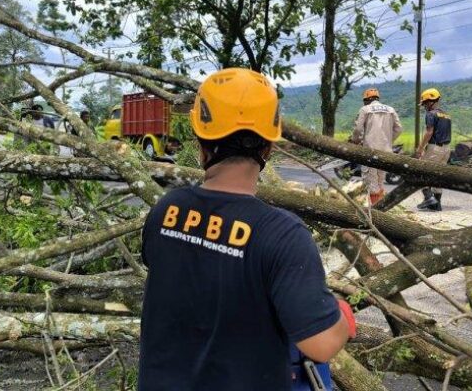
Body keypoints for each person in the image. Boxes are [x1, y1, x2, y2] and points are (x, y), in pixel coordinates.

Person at [138, 68, 355, 391]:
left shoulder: (165, 211)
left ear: (200, 143)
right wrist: (342, 319)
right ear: (268, 148)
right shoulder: (282, 235)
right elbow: (320, 345)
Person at [352, 88, 402, 206]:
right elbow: (399, 129)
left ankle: (375, 213)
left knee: (371, 182)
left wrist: (356, 140)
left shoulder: (365, 109)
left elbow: (358, 129)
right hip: (386, 152)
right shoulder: (390, 109)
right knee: (380, 182)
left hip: (370, 151)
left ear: (367, 100)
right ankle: (380, 207)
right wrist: (388, 141)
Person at [414, 88, 451, 211]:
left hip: (435, 147)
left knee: (420, 172)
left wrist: (420, 148)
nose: (424, 106)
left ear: (430, 101)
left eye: (425, 103)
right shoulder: (446, 115)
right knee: (437, 176)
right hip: (446, 149)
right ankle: (437, 204)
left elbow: (429, 132)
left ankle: (429, 198)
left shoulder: (431, 114)